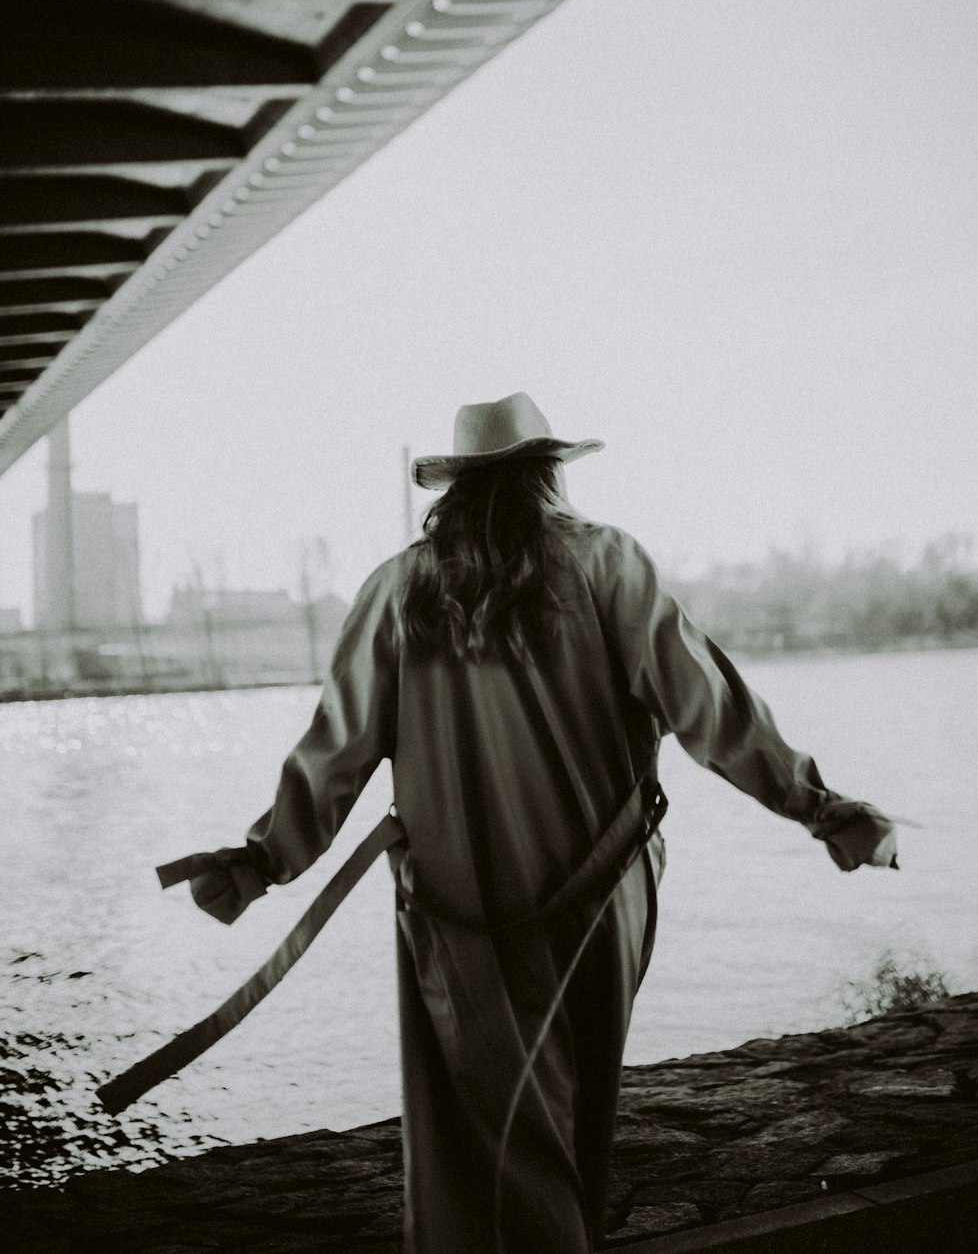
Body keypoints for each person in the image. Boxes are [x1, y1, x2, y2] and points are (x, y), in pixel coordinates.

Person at [186, 392, 898, 1254]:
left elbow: (332, 756)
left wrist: (262, 861)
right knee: (578, 1107)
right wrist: (818, 807)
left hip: (458, 911)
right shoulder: (606, 565)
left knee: (479, 1123)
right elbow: (709, 706)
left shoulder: (397, 591)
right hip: (602, 897)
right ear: (547, 473)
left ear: (454, 488)